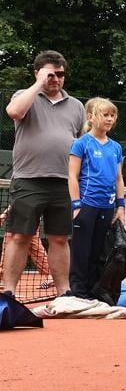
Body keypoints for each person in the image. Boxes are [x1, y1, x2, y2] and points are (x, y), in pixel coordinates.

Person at [2, 51, 85, 299]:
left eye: (60, 74)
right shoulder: (24, 96)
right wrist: (39, 83)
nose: (56, 79)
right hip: (29, 179)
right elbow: (14, 112)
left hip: (63, 182)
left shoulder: (76, 106)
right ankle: (8, 293)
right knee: (20, 237)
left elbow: (80, 144)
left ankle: (64, 294)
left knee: (60, 239)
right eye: (50, 74)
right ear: (37, 73)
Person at [66, 98, 126, 301]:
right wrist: (76, 206)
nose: (110, 119)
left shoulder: (116, 147)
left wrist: (121, 207)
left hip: (107, 207)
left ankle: (94, 292)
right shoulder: (81, 144)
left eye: (112, 115)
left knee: (98, 252)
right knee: (81, 251)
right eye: (105, 115)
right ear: (91, 117)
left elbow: (119, 179)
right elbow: (72, 176)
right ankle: (78, 293)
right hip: (86, 205)